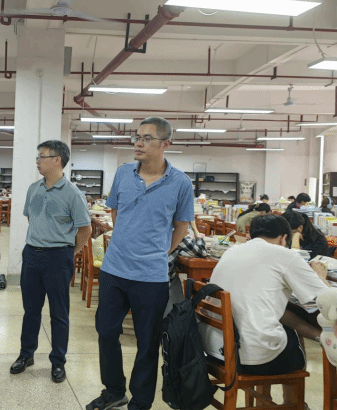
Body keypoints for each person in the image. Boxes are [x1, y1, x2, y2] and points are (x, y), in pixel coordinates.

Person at [86, 117, 194, 410]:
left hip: (151, 276)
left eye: (147, 138)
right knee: (107, 332)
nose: (139, 143)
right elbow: (116, 214)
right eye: (137, 137)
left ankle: (141, 401)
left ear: (165, 144)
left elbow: (182, 226)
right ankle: (114, 391)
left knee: (147, 342)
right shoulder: (123, 173)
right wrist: (127, 241)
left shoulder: (181, 183)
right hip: (114, 270)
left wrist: (159, 251)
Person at [207, 214, 328, 383]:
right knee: (292, 335)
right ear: (284, 238)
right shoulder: (285, 255)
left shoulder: (231, 251)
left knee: (280, 311)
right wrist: (320, 276)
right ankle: (292, 399)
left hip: (215, 350)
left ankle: (319, 336)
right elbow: (327, 300)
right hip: (254, 358)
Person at [10, 140, 91, 383]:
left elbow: (85, 230)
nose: (37, 161)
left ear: (57, 160)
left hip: (58, 257)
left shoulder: (73, 193)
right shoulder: (34, 189)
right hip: (32, 254)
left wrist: (69, 252)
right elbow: (31, 219)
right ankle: (26, 354)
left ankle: (58, 361)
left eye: (42, 156)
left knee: (59, 312)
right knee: (31, 310)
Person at [166, 221, 207, 317]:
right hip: (163, 280)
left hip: (141, 277)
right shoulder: (177, 234)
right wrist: (195, 229)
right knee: (176, 280)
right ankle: (176, 317)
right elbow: (202, 252)